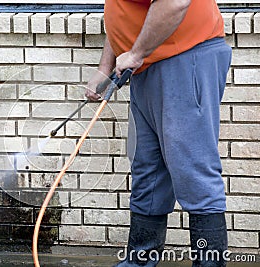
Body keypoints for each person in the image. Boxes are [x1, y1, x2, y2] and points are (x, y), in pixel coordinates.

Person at [85, 0, 232, 266]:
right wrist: (104, 69)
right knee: (148, 172)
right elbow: (126, 13)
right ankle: (139, 262)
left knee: (193, 172)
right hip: (147, 64)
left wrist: (136, 52)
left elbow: (175, 2)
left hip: (185, 57)